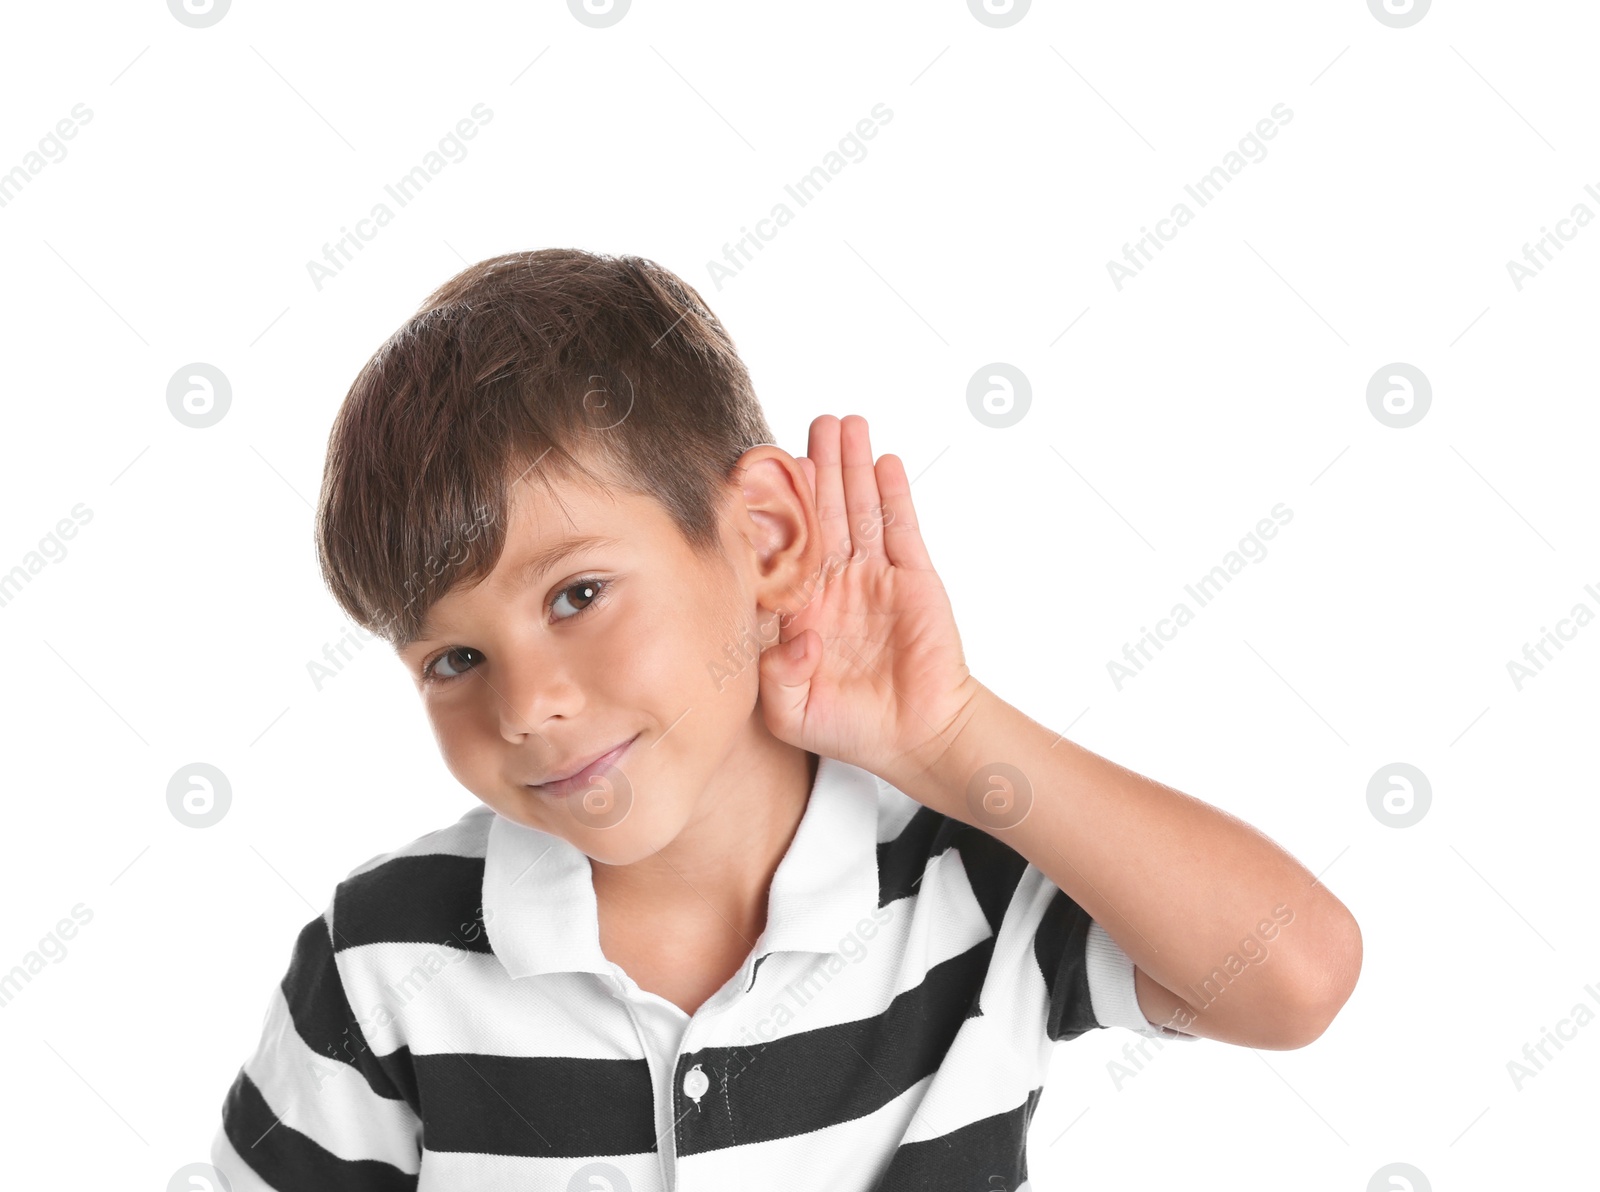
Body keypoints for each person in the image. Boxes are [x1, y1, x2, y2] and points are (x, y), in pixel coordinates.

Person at [209, 248, 1361, 1190]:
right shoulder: (385, 959)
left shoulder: (964, 882)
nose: (528, 705)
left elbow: (1292, 975)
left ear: (762, 535)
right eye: (454, 657)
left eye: (577, 595)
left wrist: (950, 736)